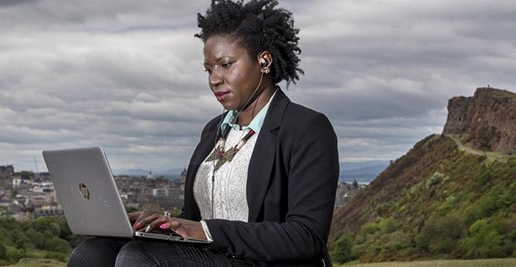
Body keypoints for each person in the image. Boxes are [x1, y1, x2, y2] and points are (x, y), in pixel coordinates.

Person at [67, 0, 339, 266]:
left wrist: (207, 231)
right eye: (209, 69)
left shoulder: (306, 128)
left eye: (226, 64)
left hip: (261, 261)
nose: (214, 79)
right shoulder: (214, 130)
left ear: (264, 61)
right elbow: (194, 217)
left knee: (138, 257)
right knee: (93, 253)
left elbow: (306, 237)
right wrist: (162, 224)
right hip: (211, 256)